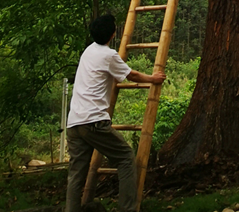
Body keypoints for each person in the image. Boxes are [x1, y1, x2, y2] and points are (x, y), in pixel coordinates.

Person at [65, 13, 165, 212]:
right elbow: (132, 75)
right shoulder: (108, 55)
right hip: (93, 122)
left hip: (74, 122)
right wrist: (154, 78)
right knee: (126, 157)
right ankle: (128, 209)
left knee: (76, 173)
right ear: (113, 34)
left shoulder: (88, 51)